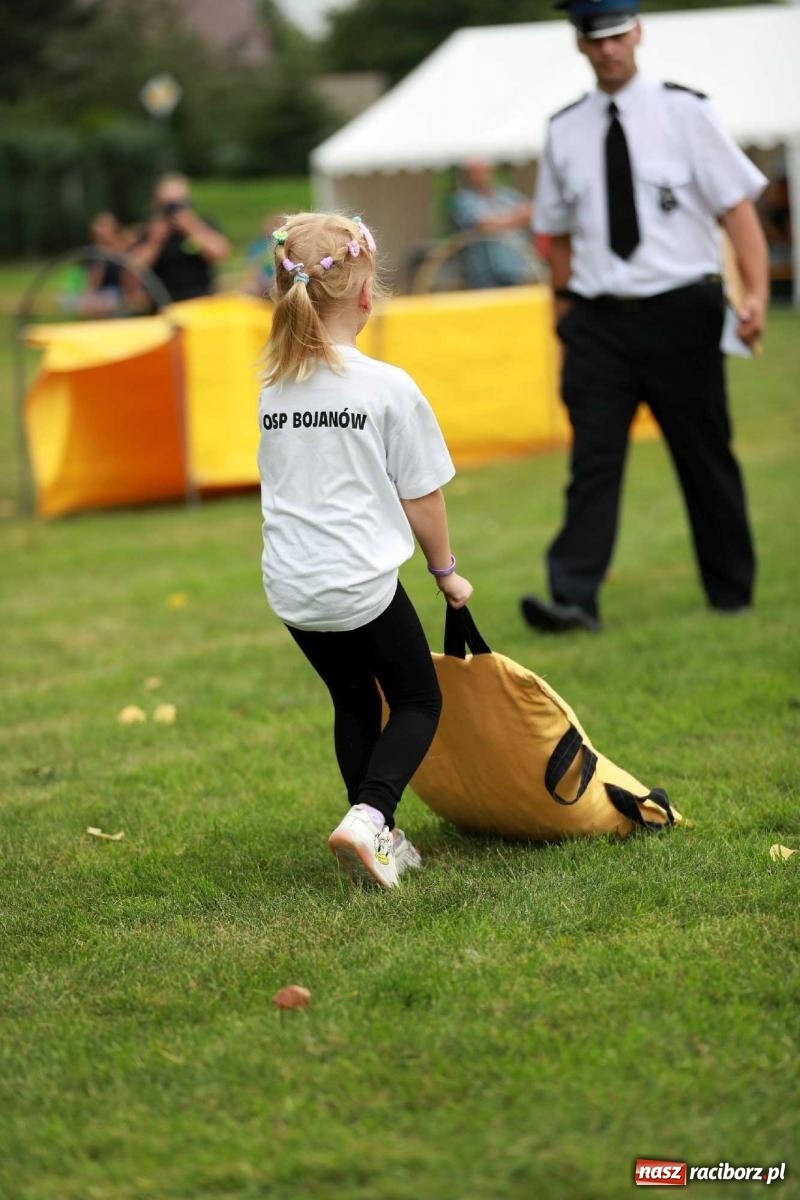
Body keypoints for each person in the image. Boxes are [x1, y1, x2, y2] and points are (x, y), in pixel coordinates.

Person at [520, 0, 769, 634]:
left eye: (616, 35)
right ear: (578, 45)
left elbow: (737, 210)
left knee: (703, 452)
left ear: (638, 32)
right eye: (593, 39)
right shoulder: (564, 129)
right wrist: (563, 324)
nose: (607, 49)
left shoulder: (687, 112)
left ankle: (730, 590)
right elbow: (557, 237)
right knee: (593, 461)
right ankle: (574, 598)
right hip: (598, 319)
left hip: (681, 307)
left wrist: (757, 295)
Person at [257, 212, 473, 889]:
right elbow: (424, 498)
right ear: (364, 292)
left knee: (353, 702)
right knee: (417, 700)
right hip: (359, 583)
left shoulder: (274, 386)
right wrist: (446, 572)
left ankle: (383, 838)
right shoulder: (386, 386)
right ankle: (371, 816)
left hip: (291, 586)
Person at [131, 173, 230, 305]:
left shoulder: (202, 224)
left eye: (179, 203)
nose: (174, 211)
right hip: (164, 303)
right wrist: (154, 241)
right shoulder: (151, 231)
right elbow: (132, 269)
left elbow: (221, 253)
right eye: (168, 205)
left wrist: (193, 229)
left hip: (202, 301)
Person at [449, 160, 539, 289]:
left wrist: (499, 222)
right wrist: (514, 218)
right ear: (468, 175)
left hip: (515, 267)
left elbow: (530, 210)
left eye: (484, 170)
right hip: (483, 273)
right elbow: (483, 224)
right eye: (476, 172)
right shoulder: (463, 199)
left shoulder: (506, 194)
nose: (481, 175)